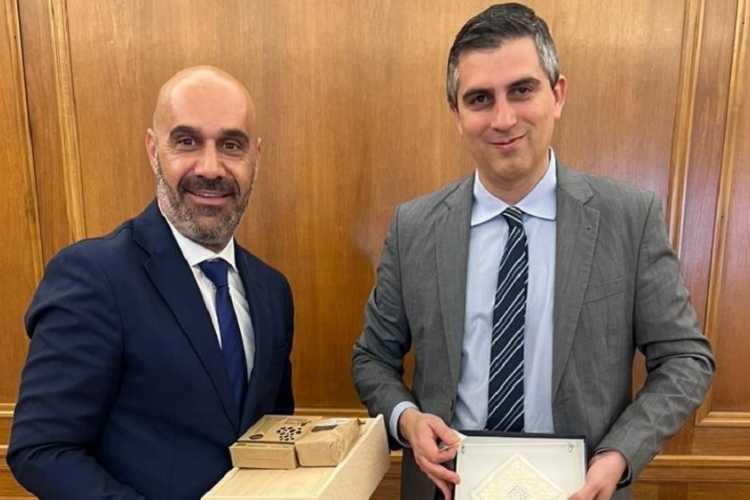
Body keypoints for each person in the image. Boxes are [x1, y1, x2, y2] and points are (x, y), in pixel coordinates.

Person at [351, 4, 714, 499]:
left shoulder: (629, 219)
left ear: (557, 94)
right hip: (449, 488)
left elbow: (685, 359)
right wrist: (407, 419)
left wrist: (619, 454)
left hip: (582, 489)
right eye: (480, 99)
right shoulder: (413, 228)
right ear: (457, 114)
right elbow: (372, 358)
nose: (504, 119)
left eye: (522, 90)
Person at [8, 66, 294, 500]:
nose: (211, 168)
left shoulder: (273, 292)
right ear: (153, 150)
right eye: (187, 141)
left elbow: (271, 436)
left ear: (256, 157)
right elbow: (41, 450)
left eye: (231, 145)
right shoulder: (93, 276)